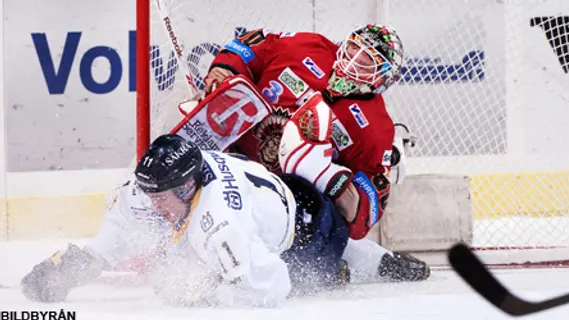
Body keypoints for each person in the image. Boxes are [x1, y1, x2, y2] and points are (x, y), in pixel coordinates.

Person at [20, 134, 425, 308]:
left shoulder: (220, 223)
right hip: (269, 194)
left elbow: (272, 287)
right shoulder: (147, 190)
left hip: (307, 228)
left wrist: (209, 293)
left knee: (321, 271)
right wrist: (65, 272)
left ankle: (376, 262)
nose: (152, 206)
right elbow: (110, 243)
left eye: (161, 197)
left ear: (187, 187)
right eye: (149, 195)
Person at [203, 24, 404, 241]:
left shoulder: (376, 129)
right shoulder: (306, 46)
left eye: (368, 60)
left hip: (290, 202)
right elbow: (249, 47)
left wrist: (326, 175)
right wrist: (224, 71)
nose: (354, 59)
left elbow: (365, 213)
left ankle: (324, 259)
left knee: (319, 218)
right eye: (355, 47)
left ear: (383, 79)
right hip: (230, 161)